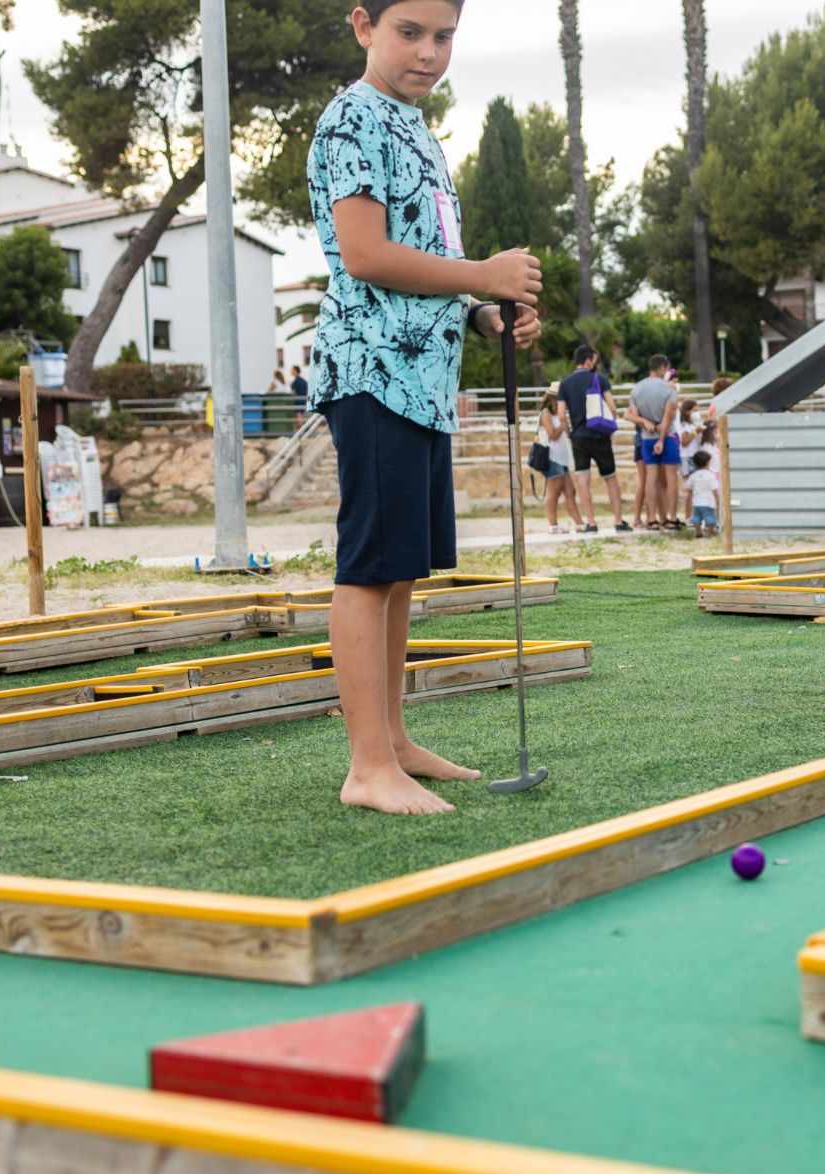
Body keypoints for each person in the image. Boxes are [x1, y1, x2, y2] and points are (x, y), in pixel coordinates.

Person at [308, 0, 543, 814]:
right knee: (370, 566)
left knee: (402, 566)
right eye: (410, 32)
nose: (429, 52)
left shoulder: (417, 128)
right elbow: (366, 254)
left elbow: (427, 261)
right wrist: (484, 275)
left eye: (444, 36)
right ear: (363, 25)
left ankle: (394, 741)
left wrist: (482, 312)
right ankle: (366, 765)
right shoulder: (350, 120)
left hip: (422, 377)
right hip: (370, 370)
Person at [558, 344, 630, 533]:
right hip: (599, 434)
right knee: (610, 478)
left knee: (583, 478)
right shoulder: (600, 379)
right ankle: (618, 520)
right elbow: (612, 407)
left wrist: (569, 433)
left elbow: (560, 415)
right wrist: (610, 428)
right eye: (595, 360)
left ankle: (590, 521)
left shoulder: (564, 384)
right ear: (589, 360)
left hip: (579, 437)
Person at [628, 354, 681, 530]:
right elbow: (667, 418)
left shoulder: (637, 389)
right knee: (671, 478)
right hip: (668, 436)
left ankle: (651, 518)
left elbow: (634, 415)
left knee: (651, 478)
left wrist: (646, 423)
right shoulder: (669, 389)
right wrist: (661, 438)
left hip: (646, 437)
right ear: (662, 368)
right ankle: (672, 517)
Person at [537, 385, 582, 533]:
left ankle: (579, 523)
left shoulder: (558, 414)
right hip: (552, 458)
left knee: (570, 491)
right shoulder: (546, 414)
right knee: (554, 493)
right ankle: (553, 525)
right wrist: (563, 425)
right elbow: (553, 435)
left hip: (562, 459)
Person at [685, 449, 719, 536]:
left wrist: (692, 492)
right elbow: (714, 489)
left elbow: (688, 487)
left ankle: (698, 532)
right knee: (710, 518)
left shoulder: (693, 475)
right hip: (708, 502)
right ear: (708, 462)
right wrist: (717, 499)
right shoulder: (710, 476)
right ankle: (710, 533)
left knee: (697, 518)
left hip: (696, 503)